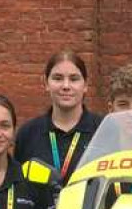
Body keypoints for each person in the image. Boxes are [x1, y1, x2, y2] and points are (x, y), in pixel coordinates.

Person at [14, 50, 103, 189]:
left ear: (85, 85)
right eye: (58, 78)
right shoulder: (28, 133)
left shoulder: (102, 130)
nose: (66, 86)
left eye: (74, 79)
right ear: (46, 83)